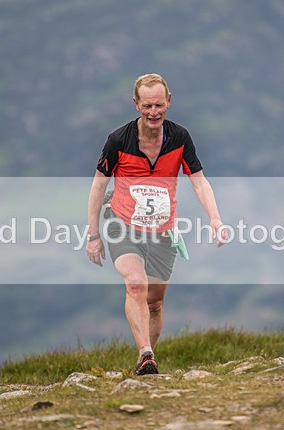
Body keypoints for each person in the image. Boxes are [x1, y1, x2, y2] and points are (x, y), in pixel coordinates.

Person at [85, 73, 227, 375]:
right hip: (122, 223)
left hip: (163, 230)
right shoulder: (118, 141)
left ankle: (147, 360)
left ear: (169, 102)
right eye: (147, 106)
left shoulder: (180, 138)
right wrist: (93, 235)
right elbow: (98, 187)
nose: (153, 112)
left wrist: (215, 219)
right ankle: (145, 354)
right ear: (136, 104)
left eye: (159, 105)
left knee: (154, 303)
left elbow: (199, 182)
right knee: (136, 284)